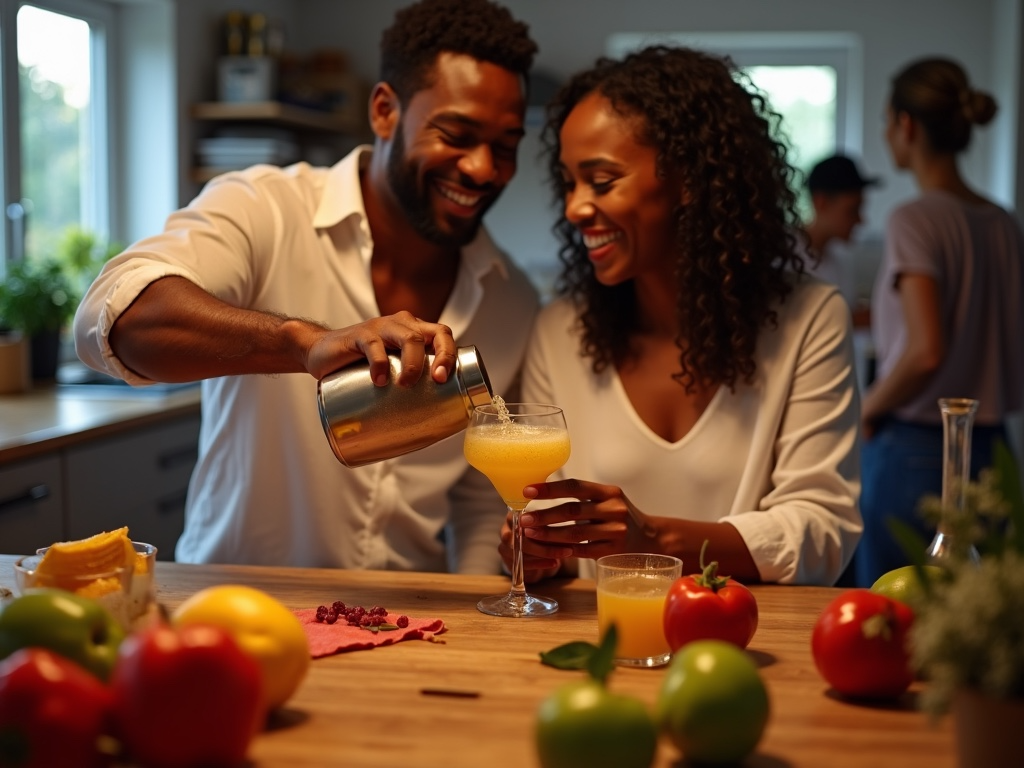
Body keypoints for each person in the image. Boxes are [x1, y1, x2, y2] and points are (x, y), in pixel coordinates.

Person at [72, 0, 541, 573]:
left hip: (407, 627)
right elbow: (113, 319)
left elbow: (474, 493)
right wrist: (301, 343)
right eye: (456, 133)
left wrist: (476, 616)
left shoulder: (512, 298)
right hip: (238, 614)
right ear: (385, 111)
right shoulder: (264, 208)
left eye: (507, 145)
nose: (483, 168)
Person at [501, 45, 862, 587]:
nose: (575, 207)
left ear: (689, 177)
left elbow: (821, 528)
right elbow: (549, 532)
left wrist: (655, 541)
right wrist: (536, 550)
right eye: (569, 183)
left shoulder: (809, 319)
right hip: (601, 647)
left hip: (741, 644)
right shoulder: (561, 331)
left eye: (600, 181)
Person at [856, 57, 1024, 586]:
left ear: (907, 125)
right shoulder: (1001, 222)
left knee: (891, 621)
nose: (888, 134)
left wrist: (866, 409)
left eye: (888, 122)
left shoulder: (914, 218)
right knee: (975, 627)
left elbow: (927, 349)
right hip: (995, 450)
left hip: (919, 450)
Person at [800, 153, 880, 307]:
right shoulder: (785, 257)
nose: (860, 220)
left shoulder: (840, 258)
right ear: (821, 203)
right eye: (852, 210)